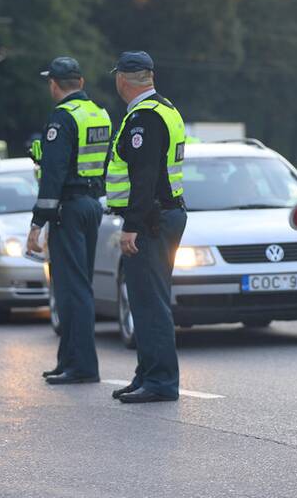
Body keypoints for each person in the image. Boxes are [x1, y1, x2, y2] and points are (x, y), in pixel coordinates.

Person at [106, 51, 187, 404]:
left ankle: (161, 381)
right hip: (163, 215)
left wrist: (131, 226)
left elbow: (144, 178)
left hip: (151, 219)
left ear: (122, 79)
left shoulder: (143, 119)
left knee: (150, 303)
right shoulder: (164, 109)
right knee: (145, 300)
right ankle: (147, 374)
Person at [27, 57, 111, 385]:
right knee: (79, 285)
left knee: (71, 289)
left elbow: (54, 175)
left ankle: (82, 367)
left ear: (54, 84)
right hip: (91, 203)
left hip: (69, 209)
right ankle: (68, 360)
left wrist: (38, 224)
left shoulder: (62, 118)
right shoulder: (99, 113)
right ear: (82, 82)